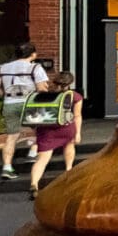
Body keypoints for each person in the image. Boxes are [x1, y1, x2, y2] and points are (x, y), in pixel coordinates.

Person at [0, 42, 49, 180]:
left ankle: (7, 167)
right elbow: (41, 88)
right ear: (33, 54)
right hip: (29, 103)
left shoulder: (2, 67)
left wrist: (5, 95)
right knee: (40, 129)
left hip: (9, 103)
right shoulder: (35, 67)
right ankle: (33, 152)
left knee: (11, 136)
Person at [28, 71, 83, 200]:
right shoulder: (75, 96)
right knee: (69, 146)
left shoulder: (45, 95)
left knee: (42, 160)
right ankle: (68, 171)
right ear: (70, 83)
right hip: (66, 127)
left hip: (47, 129)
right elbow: (77, 115)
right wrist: (78, 132)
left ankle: (34, 184)